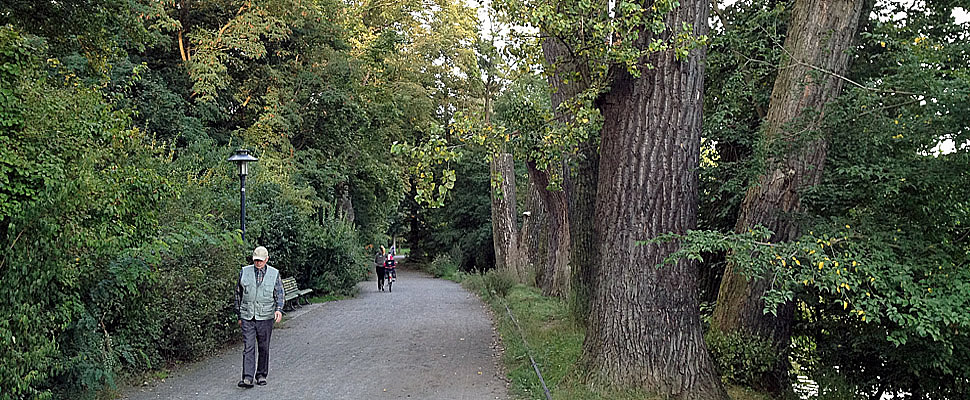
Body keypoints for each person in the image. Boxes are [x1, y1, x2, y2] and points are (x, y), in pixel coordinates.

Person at [234, 246, 284, 388]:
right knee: (248, 346)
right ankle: (247, 377)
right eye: (256, 260)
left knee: (264, 347)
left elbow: (279, 294)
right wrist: (239, 315)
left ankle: (261, 374)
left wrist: (279, 310)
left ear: (266, 259)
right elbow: (238, 295)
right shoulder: (244, 272)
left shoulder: (274, 274)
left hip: (266, 316)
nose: (258, 263)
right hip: (247, 316)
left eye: (261, 261)